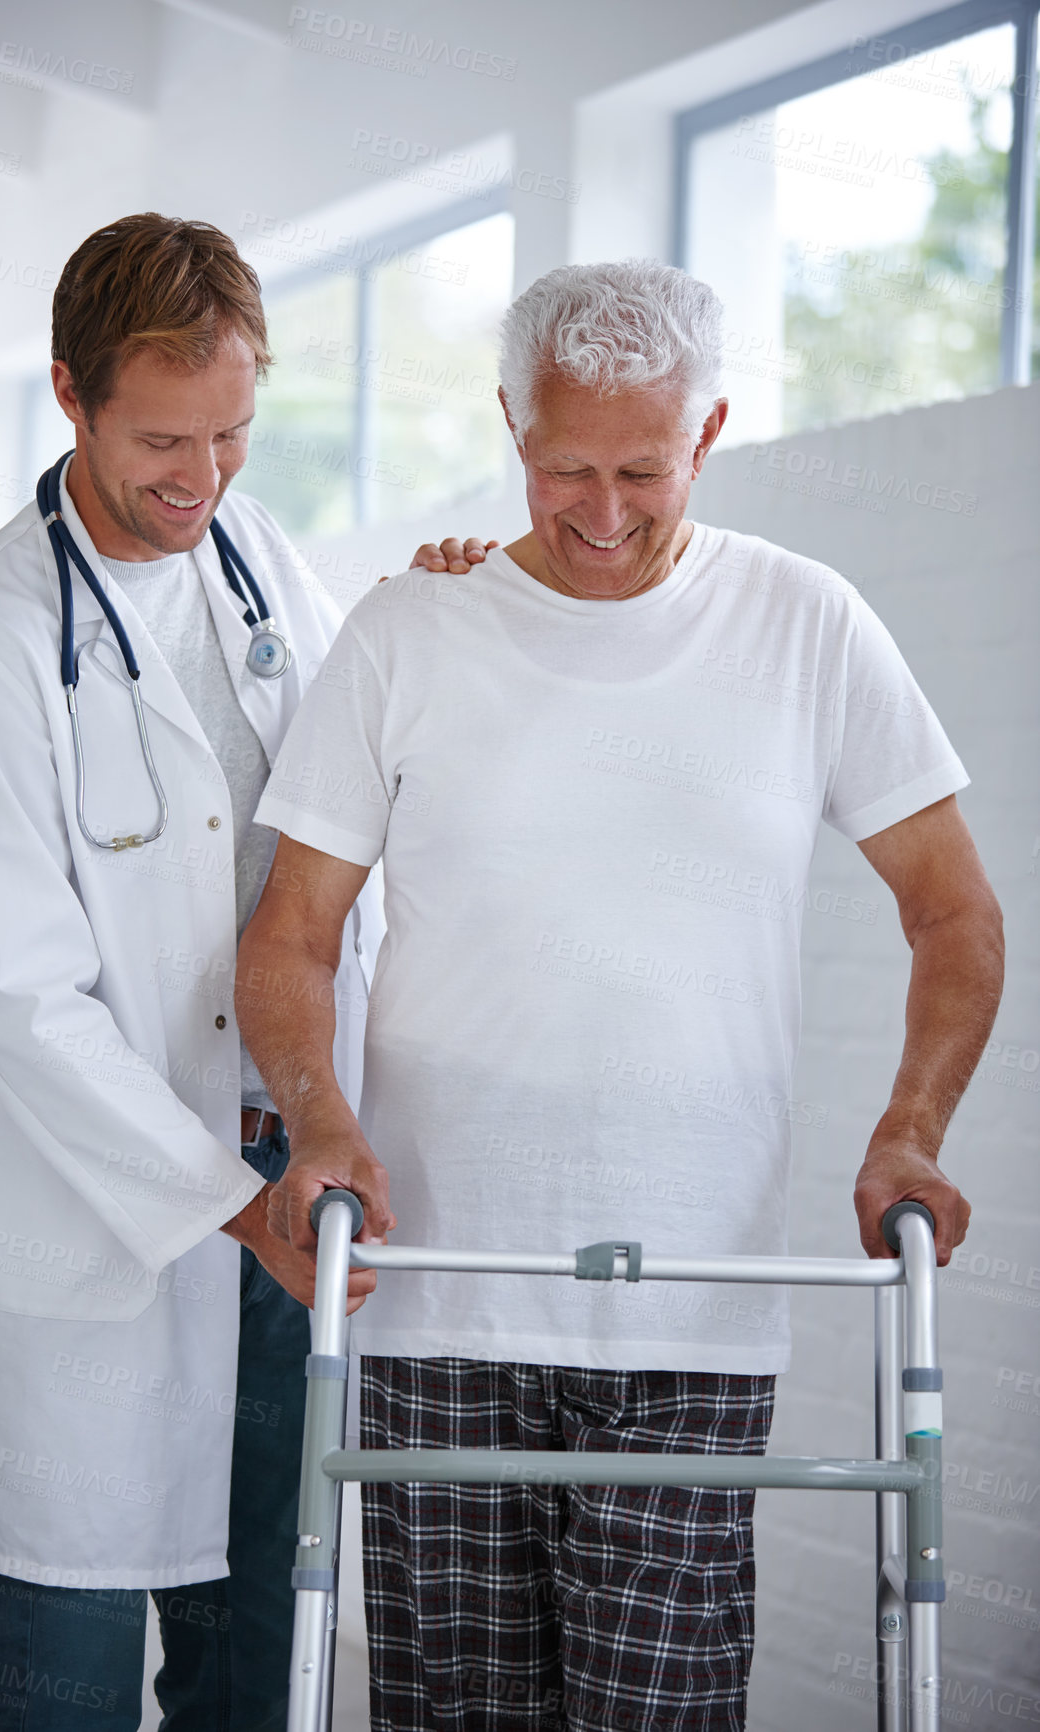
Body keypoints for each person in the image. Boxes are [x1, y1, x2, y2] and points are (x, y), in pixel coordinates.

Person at [235, 259, 1004, 1731]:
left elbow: (953, 909)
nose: (598, 514)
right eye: (561, 469)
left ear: (705, 434)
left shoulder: (807, 624)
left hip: (695, 1317)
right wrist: (320, 1127)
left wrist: (908, 1128)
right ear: (510, 429)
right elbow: (290, 935)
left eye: (641, 471)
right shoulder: (409, 629)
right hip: (437, 1300)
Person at [0, 211, 493, 1732]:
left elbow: (361, 750)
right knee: (66, 1654)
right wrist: (227, 1204)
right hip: (124, 1215)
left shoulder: (251, 555)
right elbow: (21, 1008)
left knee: (257, 1648)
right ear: (68, 395)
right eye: (162, 439)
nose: (200, 479)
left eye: (230, 434)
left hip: (285, 1183)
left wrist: (451, 602)